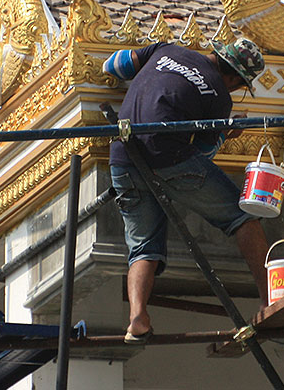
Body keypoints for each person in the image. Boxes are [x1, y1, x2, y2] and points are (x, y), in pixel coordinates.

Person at [103, 38, 271, 344]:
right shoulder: (219, 95)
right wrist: (225, 132)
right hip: (171, 158)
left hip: (123, 158)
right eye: (239, 85)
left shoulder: (164, 50)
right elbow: (202, 156)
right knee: (244, 217)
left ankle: (137, 317)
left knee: (143, 247)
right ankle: (269, 300)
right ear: (235, 78)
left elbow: (113, 66)